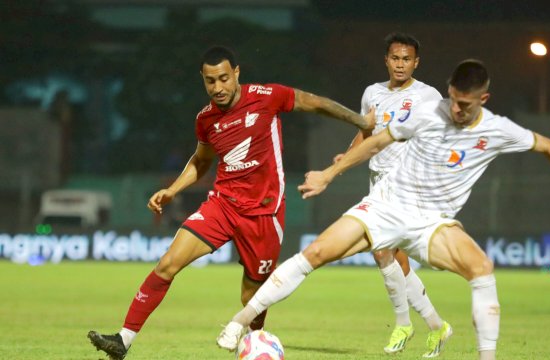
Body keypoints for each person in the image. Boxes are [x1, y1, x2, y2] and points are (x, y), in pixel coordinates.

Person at [217, 59, 550, 360]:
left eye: (464, 105)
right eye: (451, 98)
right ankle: (238, 322)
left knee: (482, 268)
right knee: (315, 253)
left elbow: (547, 145)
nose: (454, 109)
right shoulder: (430, 112)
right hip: (386, 205)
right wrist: (330, 173)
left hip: (432, 223)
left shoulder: (498, 130)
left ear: (482, 100)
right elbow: (377, 141)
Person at [87, 45, 373, 360]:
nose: (218, 88)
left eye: (224, 78)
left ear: (236, 74)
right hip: (222, 204)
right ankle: (123, 340)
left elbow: (315, 103)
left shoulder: (267, 96)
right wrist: (173, 189)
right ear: (203, 80)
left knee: (252, 293)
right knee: (168, 263)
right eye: (210, 81)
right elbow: (201, 160)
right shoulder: (206, 120)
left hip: (264, 213)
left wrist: (359, 121)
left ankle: (255, 343)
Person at [333, 32, 449, 356]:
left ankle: (403, 323)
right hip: (378, 180)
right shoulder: (373, 93)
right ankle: (437, 326)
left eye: (407, 59)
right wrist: (344, 160)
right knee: (394, 257)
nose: (401, 64)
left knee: (381, 248)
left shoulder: (428, 96)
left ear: (416, 62)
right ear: (387, 60)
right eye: (395, 58)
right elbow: (365, 134)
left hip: (406, 183)